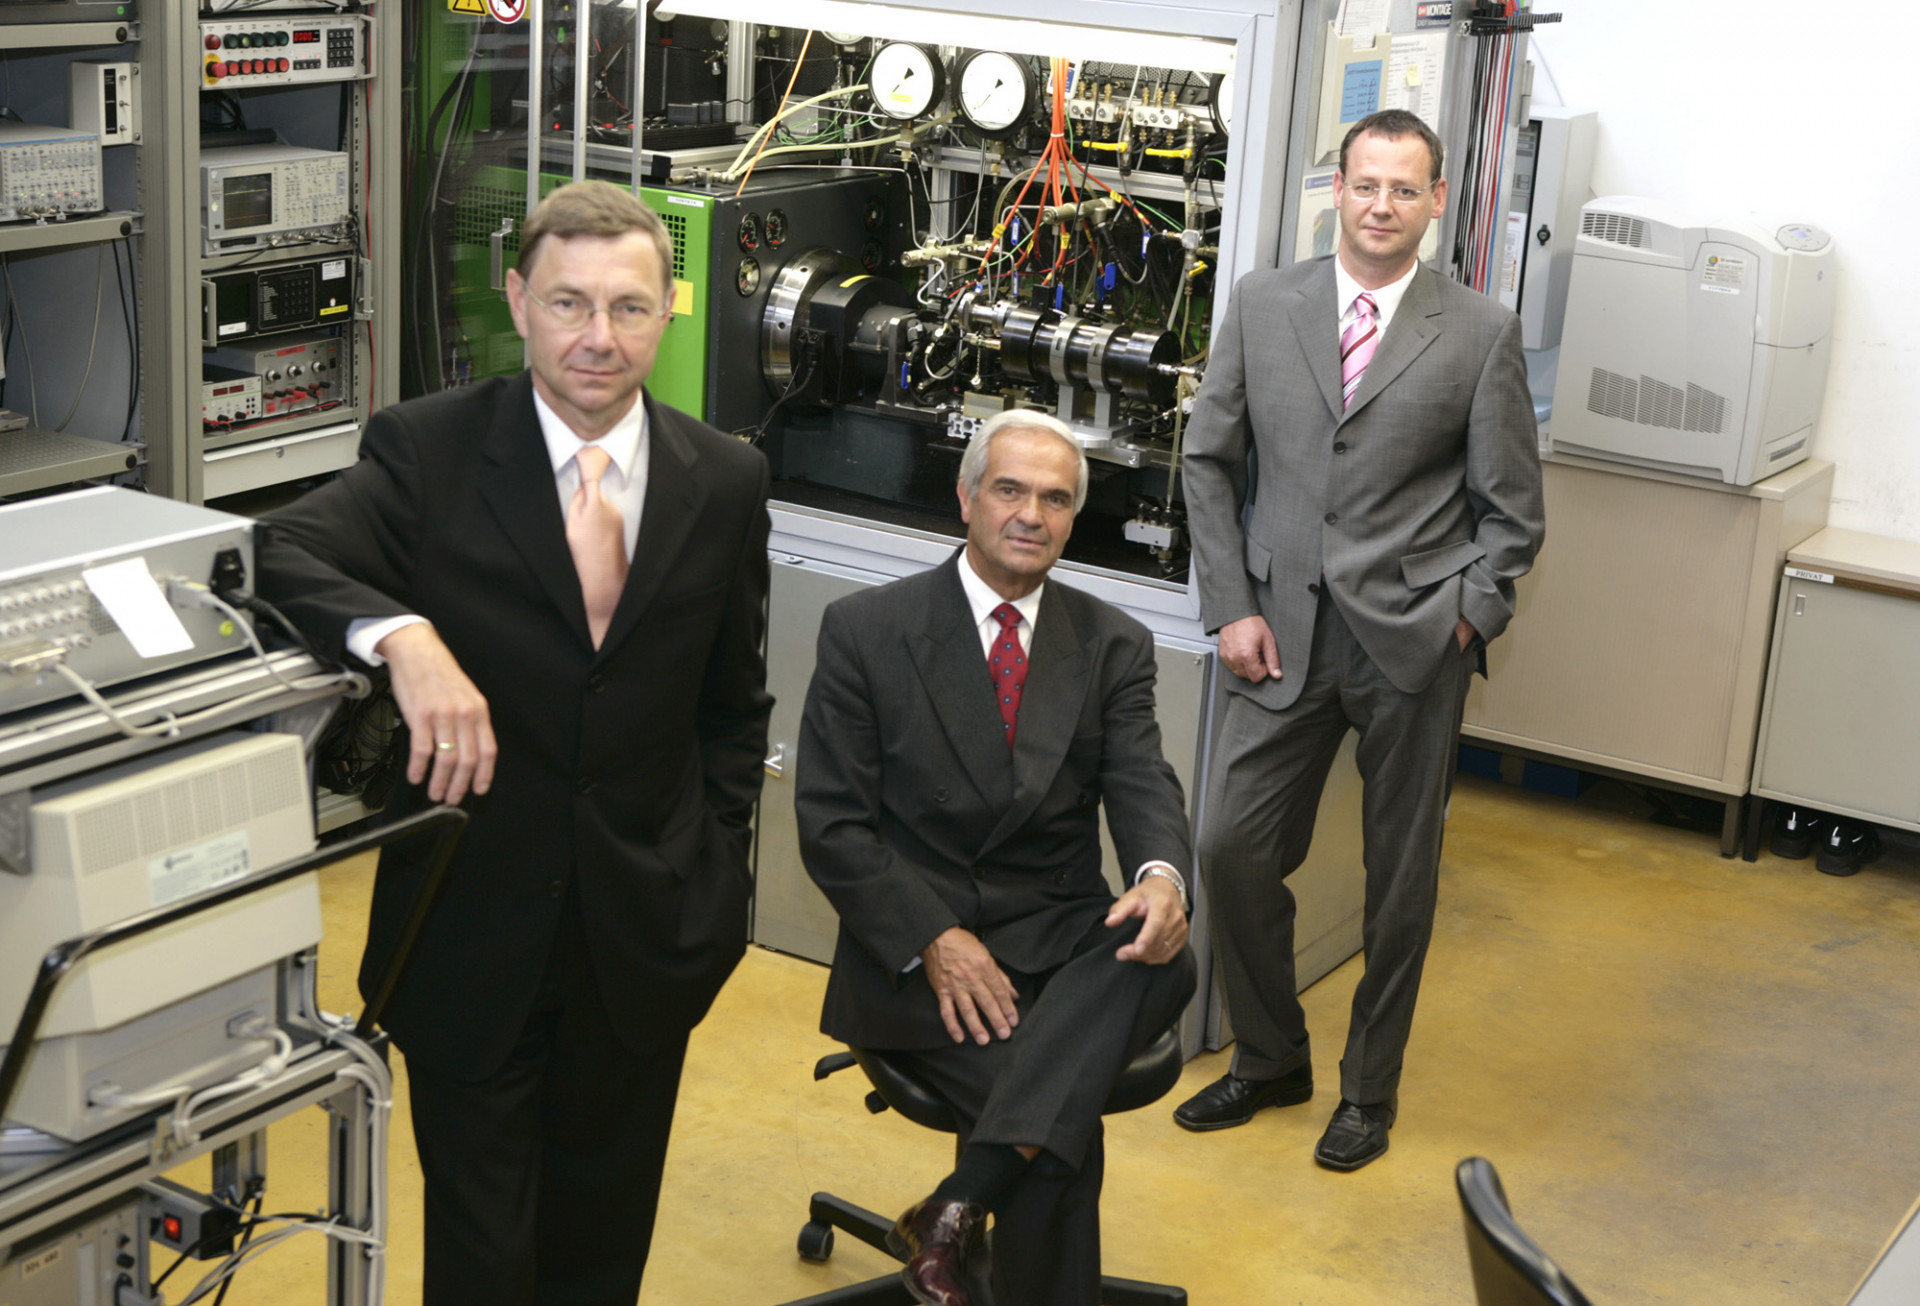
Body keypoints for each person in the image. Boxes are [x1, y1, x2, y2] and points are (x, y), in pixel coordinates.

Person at [255, 180, 772, 1303]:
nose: (599, 337)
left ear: (669, 310)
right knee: (483, 1265)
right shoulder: (430, 451)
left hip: (642, 938)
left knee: (601, 1254)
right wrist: (404, 638)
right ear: (518, 300)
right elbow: (276, 551)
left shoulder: (726, 481)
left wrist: (717, 873)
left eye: (629, 307)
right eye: (569, 303)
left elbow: (733, 706)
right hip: (470, 930)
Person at [1172, 108, 1546, 1171]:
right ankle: (1270, 1056)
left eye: (1405, 189)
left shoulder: (1479, 332)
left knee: (1399, 883)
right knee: (1231, 848)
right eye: (1366, 184)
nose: (1383, 206)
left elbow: (1512, 514)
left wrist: (1466, 616)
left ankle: (1368, 1094)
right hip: (1275, 632)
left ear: (1435, 203)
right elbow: (1209, 461)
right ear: (1337, 189)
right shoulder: (1264, 304)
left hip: (1412, 644)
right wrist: (1230, 604)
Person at [795, 410, 1197, 1306]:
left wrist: (1161, 878)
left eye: (1055, 499)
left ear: (1073, 518)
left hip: (1057, 935)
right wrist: (935, 937)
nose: (1031, 515)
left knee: (1165, 951)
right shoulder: (868, 629)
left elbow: (1142, 778)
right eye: (1010, 490)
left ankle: (952, 1208)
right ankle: (964, 1210)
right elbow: (831, 825)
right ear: (966, 498)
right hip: (921, 946)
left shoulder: (1111, 642)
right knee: (1057, 1133)